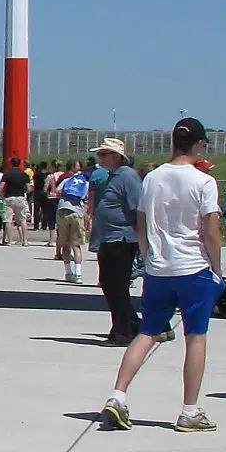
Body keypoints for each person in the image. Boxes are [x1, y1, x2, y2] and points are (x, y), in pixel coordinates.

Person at [99, 118, 226, 433]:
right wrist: (218, 268)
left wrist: (148, 255)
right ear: (199, 144)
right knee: (196, 336)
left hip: (159, 268)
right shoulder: (203, 182)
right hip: (193, 267)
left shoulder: (152, 178)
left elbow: (142, 222)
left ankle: (118, 395)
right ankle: (189, 410)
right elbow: (211, 230)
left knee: (148, 333)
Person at [90, 138, 145, 344]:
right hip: (109, 238)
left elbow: (138, 209)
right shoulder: (113, 177)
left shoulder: (128, 177)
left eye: (104, 154)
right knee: (109, 284)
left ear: (116, 156)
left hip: (122, 239)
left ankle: (124, 330)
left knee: (117, 286)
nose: (100, 158)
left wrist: (141, 239)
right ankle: (131, 325)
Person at [56, 162, 91, 283]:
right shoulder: (85, 183)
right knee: (76, 245)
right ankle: (79, 274)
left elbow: (57, 190)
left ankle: (68, 273)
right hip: (77, 212)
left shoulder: (67, 180)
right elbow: (87, 197)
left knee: (65, 245)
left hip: (63, 210)